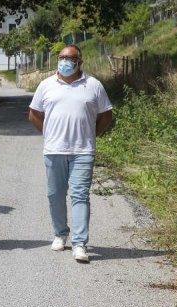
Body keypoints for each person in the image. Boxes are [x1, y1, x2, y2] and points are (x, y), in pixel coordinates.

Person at [28, 45, 113, 262]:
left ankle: (79, 243)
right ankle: (60, 234)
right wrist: (48, 133)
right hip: (54, 149)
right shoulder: (46, 85)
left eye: (70, 58)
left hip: (83, 150)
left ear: (79, 62)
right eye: (61, 57)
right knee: (55, 194)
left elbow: (106, 115)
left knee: (80, 195)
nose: (65, 61)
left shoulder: (93, 85)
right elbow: (34, 114)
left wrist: (92, 135)